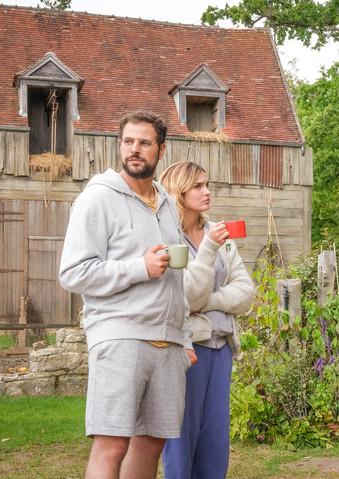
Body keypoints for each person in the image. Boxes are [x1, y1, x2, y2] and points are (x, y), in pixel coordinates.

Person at [59, 110, 193, 479]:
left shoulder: (166, 204)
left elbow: (175, 281)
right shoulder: (97, 200)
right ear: (120, 146)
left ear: (160, 150)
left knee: (152, 441)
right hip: (120, 336)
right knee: (112, 442)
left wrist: (184, 336)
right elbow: (73, 272)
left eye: (144, 142)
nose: (135, 150)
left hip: (167, 341)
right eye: (128, 141)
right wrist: (139, 268)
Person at [159, 161, 253, 479]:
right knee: (182, 440)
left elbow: (245, 292)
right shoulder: (168, 238)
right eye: (198, 186)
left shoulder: (220, 235)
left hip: (221, 348)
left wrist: (210, 304)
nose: (207, 191)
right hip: (187, 349)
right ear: (179, 191)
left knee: (215, 441)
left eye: (207, 184)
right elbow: (187, 296)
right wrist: (208, 249)